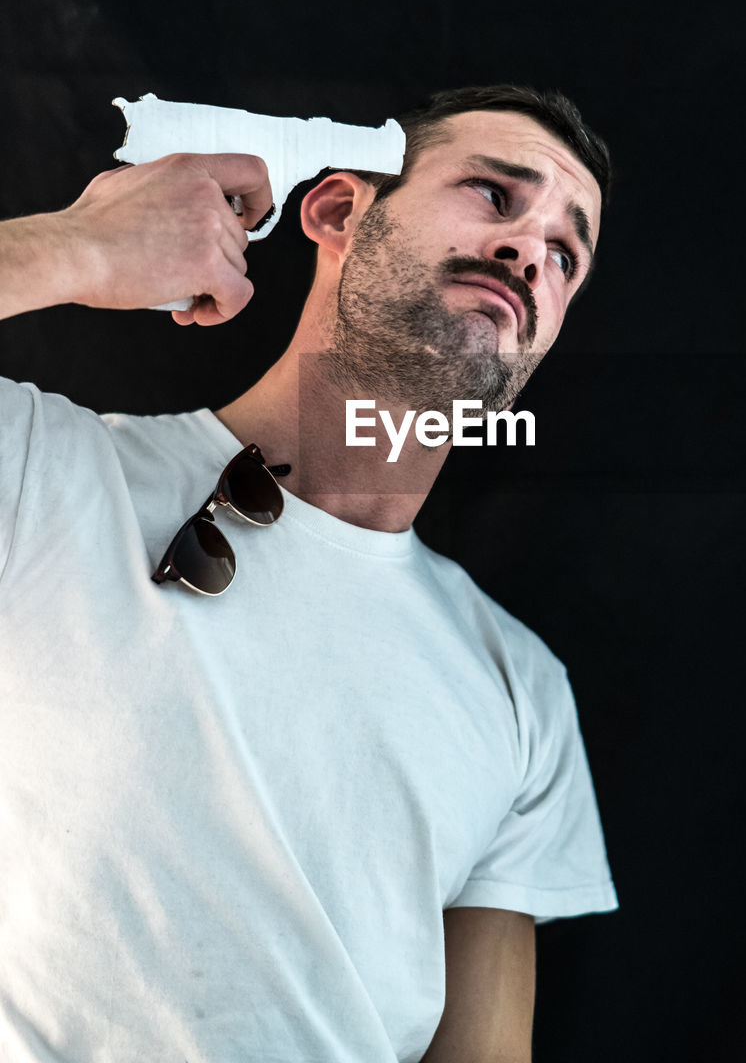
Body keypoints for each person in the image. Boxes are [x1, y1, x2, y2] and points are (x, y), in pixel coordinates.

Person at [0, 84, 618, 1062]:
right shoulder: (43, 471)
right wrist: (75, 247)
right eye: (496, 195)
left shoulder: (520, 688)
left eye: (566, 252)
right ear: (336, 211)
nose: (529, 251)